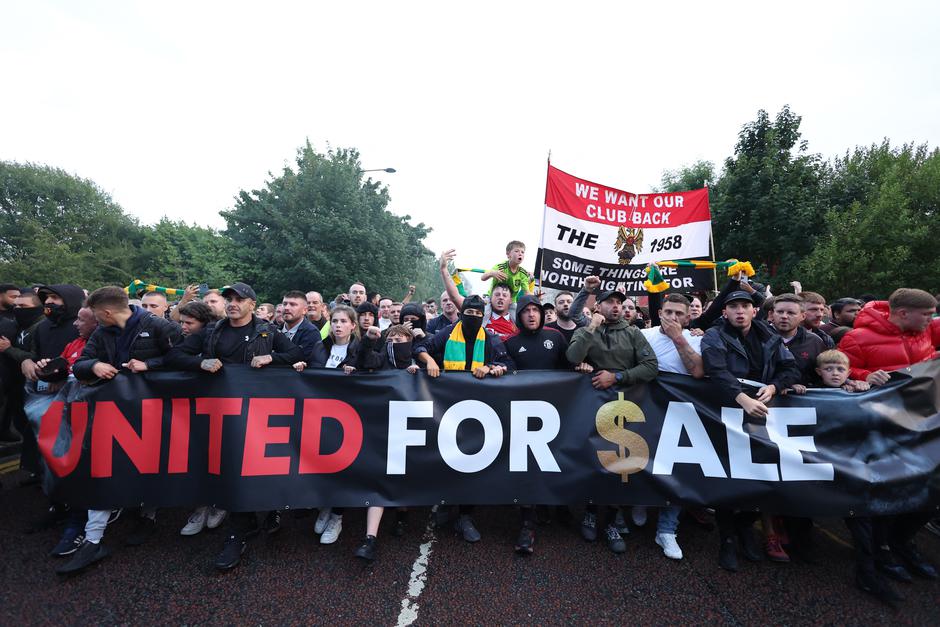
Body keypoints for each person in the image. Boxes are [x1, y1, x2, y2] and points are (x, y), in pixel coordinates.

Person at [165, 282, 303, 571]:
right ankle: (242, 525)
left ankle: (239, 530)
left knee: (248, 466)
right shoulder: (213, 331)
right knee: (226, 465)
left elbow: (295, 355)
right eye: (228, 298)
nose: (232, 303)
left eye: (239, 299)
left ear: (252, 303)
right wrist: (200, 363)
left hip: (256, 412)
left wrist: (271, 357)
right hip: (219, 412)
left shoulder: (268, 331)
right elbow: (175, 355)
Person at [58, 286, 183, 575]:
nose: (95, 322)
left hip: (156, 414)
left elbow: (181, 361)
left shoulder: (160, 327)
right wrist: (95, 365)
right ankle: (93, 539)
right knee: (103, 468)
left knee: (153, 465)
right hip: (113, 415)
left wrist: (150, 364)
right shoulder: (101, 334)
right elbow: (81, 365)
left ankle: (147, 516)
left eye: (95, 316)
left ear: (106, 312)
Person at [838, 288, 940, 585]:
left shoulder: (926, 330)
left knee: (929, 494)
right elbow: (835, 371)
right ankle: (881, 550)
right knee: (887, 493)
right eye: (927, 314)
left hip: (923, 426)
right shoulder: (857, 338)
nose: (931, 320)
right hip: (880, 430)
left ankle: (901, 543)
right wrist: (862, 376)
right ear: (903, 313)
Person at [700, 290, 801, 572]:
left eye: (745, 306)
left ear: (755, 311)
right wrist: (742, 399)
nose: (740, 311)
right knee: (727, 477)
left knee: (761, 476)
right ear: (725, 312)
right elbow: (716, 370)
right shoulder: (715, 335)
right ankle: (728, 540)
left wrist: (774, 387)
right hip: (726, 413)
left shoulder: (769, 337)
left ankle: (745, 528)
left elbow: (791, 368)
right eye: (734, 307)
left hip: (761, 415)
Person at [565, 287, 659, 554]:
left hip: (625, 406)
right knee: (594, 459)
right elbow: (573, 357)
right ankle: (591, 512)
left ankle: (612, 521)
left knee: (621, 463)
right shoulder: (588, 326)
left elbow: (651, 366)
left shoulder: (632, 333)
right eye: (610, 302)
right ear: (599, 306)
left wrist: (617, 377)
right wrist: (591, 327)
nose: (616, 307)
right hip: (591, 407)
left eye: (620, 302)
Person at [413, 295, 514, 542]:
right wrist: (429, 361)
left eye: (478, 316)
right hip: (447, 408)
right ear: (461, 315)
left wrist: (492, 368)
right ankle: (447, 503)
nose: (472, 319)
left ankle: (466, 515)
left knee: (473, 462)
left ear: (483, 317)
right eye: (468, 315)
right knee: (448, 457)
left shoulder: (490, 338)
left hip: (480, 410)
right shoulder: (447, 333)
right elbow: (420, 349)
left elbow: (507, 363)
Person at [636, 293, 705, 561]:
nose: (672, 318)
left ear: (689, 317)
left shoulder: (697, 339)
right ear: (660, 312)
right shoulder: (644, 335)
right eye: (668, 312)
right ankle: (640, 502)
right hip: (645, 410)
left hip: (679, 415)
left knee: (677, 469)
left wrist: (679, 338)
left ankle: (667, 529)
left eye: (679, 314)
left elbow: (697, 371)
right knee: (639, 459)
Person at [504, 295, 573, 554]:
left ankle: (560, 506)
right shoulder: (510, 342)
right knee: (527, 470)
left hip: (557, 413)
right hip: (522, 417)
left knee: (557, 462)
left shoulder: (555, 337)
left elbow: (571, 366)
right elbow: (504, 369)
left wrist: (584, 366)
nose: (532, 314)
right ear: (519, 316)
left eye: (535, 310)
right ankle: (527, 524)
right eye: (526, 311)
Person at [352, 324, 419, 561]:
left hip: (412, 431)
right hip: (381, 427)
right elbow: (364, 359)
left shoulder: (417, 359)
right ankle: (370, 538)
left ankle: (402, 515)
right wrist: (369, 341)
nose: (396, 340)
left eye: (401, 336)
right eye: (391, 336)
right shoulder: (380, 359)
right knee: (381, 478)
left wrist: (418, 371)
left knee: (406, 476)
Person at [300, 305, 364, 546]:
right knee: (321, 463)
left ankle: (337, 515)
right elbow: (311, 371)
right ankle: (324, 506)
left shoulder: (359, 348)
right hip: (320, 414)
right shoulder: (319, 346)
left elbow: (372, 368)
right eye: (334, 320)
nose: (337, 325)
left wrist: (357, 371)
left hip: (350, 417)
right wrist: (302, 367)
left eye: (343, 321)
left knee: (343, 467)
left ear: (352, 325)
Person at [174, 300, 229, 538]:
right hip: (197, 405)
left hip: (224, 404)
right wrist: (199, 363)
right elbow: (173, 357)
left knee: (223, 455)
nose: (184, 327)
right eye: (182, 322)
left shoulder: (218, 334)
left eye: (189, 323)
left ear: (204, 323)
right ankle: (201, 506)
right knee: (198, 456)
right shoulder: (192, 339)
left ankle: (220, 503)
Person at [279, 290, 327, 367]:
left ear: (305, 310)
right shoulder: (273, 330)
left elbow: (299, 356)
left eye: (293, 305)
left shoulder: (312, 333)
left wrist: (271, 357)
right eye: (284, 304)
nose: (287, 308)